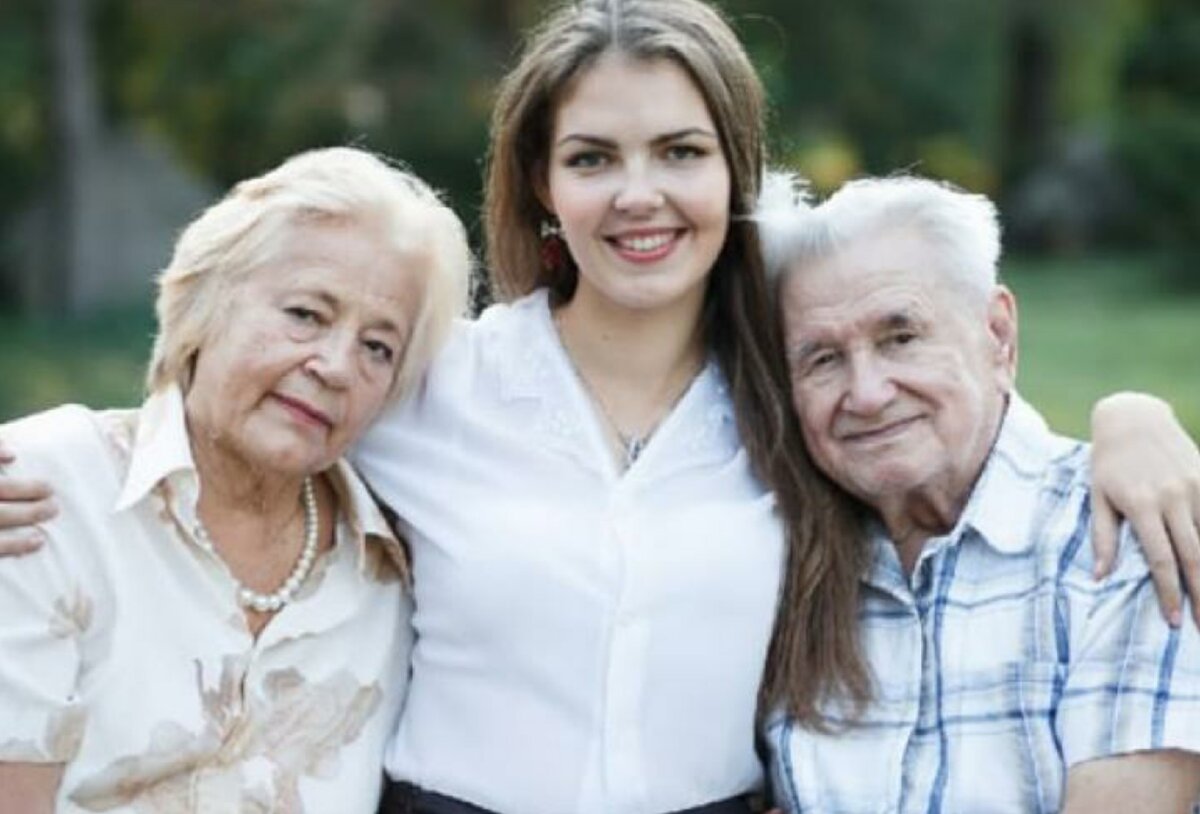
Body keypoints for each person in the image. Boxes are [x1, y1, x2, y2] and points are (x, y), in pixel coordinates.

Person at [1, 2, 1199, 813]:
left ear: (734, 172)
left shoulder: (793, 388)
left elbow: (944, 405)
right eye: (592, 158)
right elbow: (234, 403)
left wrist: (1130, 421)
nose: (641, 195)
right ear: (541, 184)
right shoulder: (431, 381)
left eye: (680, 151)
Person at [0, 146, 472, 813]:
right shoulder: (46, 491)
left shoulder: (399, 561)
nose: (337, 366)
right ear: (205, 300)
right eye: (306, 314)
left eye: (378, 348)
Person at [758, 174, 1200, 812]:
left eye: (901, 337)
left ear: (998, 334)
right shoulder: (782, 565)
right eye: (822, 359)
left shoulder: (1122, 536)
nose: (868, 392)